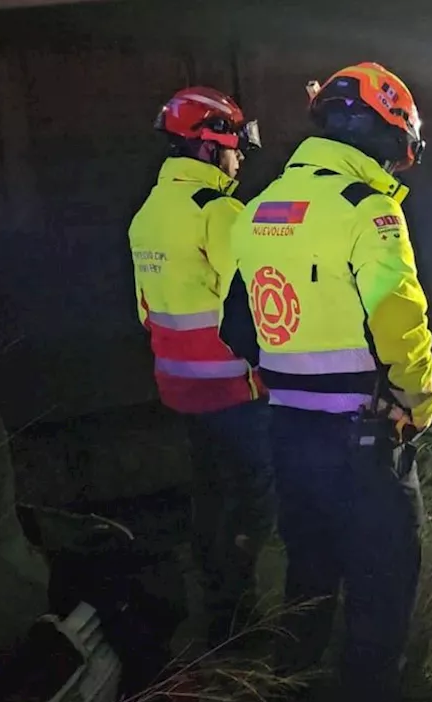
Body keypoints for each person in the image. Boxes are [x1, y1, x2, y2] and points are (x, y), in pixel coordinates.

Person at [228, 61, 432, 702]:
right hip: (367, 440)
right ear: (385, 137)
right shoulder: (368, 211)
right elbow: (398, 320)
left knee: (308, 582)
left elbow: (237, 323)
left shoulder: (256, 210)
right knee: (382, 592)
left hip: (289, 434)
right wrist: (419, 398)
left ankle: (286, 700)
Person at [127, 86, 275, 651]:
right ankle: (252, 627)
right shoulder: (219, 212)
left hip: (180, 390)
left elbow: (146, 313)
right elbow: (255, 308)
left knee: (210, 501)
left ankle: (219, 621)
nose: (240, 158)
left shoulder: (147, 215)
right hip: (236, 391)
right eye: (236, 146)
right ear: (210, 148)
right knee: (256, 510)